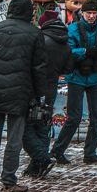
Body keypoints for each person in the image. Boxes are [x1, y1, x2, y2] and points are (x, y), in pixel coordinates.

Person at [0, 0, 47, 192]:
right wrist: (38, 95)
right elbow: (39, 69)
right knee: (14, 140)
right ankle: (8, 181)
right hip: (20, 93)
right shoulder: (34, 33)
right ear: (28, 12)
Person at [50, 1, 97, 165]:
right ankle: (57, 151)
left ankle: (90, 152)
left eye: (94, 13)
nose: (92, 16)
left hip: (95, 76)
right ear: (83, 14)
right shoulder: (73, 28)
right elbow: (68, 51)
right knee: (74, 117)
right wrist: (86, 51)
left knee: (96, 118)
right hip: (77, 76)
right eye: (89, 13)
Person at [21, 11, 70, 180]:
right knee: (43, 124)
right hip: (51, 87)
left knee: (25, 125)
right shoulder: (64, 41)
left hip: (34, 87)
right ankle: (37, 165)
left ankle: (41, 158)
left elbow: (33, 64)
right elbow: (68, 68)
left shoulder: (40, 39)